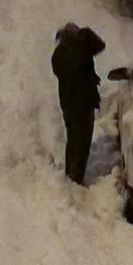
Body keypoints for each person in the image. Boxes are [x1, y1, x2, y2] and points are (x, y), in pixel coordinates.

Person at [51, 23, 105, 185]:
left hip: (68, 103)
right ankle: (77, 177)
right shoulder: (82, 49)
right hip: (84, 102)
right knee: (83, 141)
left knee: (73, 139)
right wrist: (88, 32)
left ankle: (70, 173)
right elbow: (100, 46)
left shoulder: (58, 54)